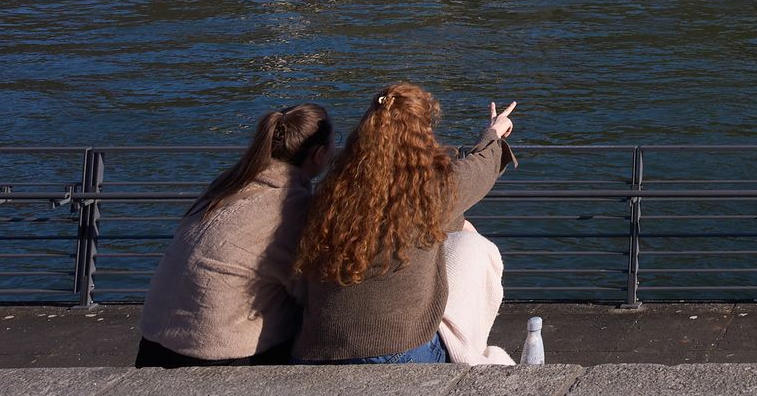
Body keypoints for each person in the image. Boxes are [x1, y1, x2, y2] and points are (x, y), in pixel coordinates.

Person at [291, 84, 517, 364]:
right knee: (473, 247)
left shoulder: (333, 191)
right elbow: (478, 170)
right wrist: (493, 133)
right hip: (396, 353)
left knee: (457, 227)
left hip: (318, 350)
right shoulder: (431, 193)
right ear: (423, 135)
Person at [136, 104, 334, 368]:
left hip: (155, 340)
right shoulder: (291, 206)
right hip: (214, 351)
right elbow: (306, 290)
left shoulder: (229, 183)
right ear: (319, 155)